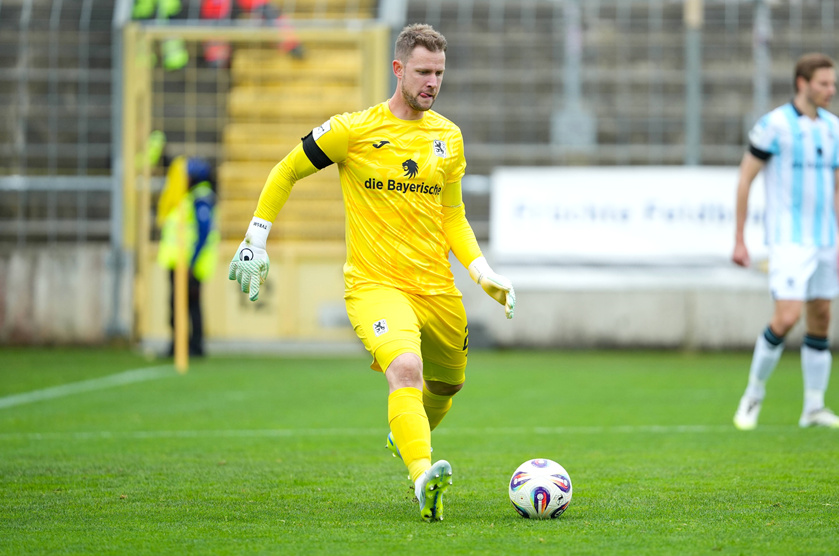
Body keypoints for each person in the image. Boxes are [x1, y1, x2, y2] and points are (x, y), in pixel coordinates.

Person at [228, 23, 515, 521]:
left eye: (439, 73)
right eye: (423, 72)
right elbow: (287, 169)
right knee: (405, 370)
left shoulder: (448, 137)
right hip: (375, 285)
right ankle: (423, 477)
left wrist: (481, 270)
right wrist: (256, 236)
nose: (432, 82)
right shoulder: (353, 130)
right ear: (398, 69)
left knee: (447, 387)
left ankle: (405, 433)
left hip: (436, 287)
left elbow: (452, 215)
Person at [732, 52, 839, 430]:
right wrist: (740, 239)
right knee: (788, 316)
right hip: (789, 240)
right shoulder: (774, 125)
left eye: (833, 83)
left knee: (821, 316)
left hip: (825, 238)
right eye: (824, 83)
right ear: (802, 83)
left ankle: (813, 407)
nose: (831, 90)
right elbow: (746, 178)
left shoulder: (833, 128)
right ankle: (753, 393)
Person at [157, 156, 220, 358]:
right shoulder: (194, 196)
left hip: (188, 263)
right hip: (183, 261)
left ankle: (190, 346)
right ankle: (186, 345)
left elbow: (203, 234)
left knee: (187, 305)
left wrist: (191, 264)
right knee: (186, 305)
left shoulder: (200, 197)